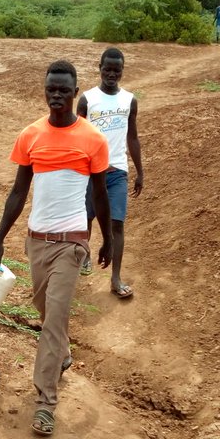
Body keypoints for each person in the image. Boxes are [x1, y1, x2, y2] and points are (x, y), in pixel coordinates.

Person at [0, 60, 112, 437]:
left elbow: (100, 194)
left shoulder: (93, 139)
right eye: (50, 89)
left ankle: (45, 403)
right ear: (44, 91)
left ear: (75, 93)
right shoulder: (30, 136)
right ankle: (63, 353)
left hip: (71, 242)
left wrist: (106, 238)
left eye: (63, 90)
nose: (56, 95)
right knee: (46, 311)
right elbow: (18, 192)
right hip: (36, 241)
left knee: (53, 319)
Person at [77, 47, 143, 299]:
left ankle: (115, 278)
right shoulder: (87, 99)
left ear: (122, 70)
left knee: (117, 224)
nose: (112, 74)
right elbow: (77, 136)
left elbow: (132, 137)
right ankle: (83, 257)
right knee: (85, 219)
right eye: (107, 69)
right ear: (100, 68)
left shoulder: (129, 100)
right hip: (89, 172)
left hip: (117, 172)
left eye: (117, 70)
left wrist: (139, 171)